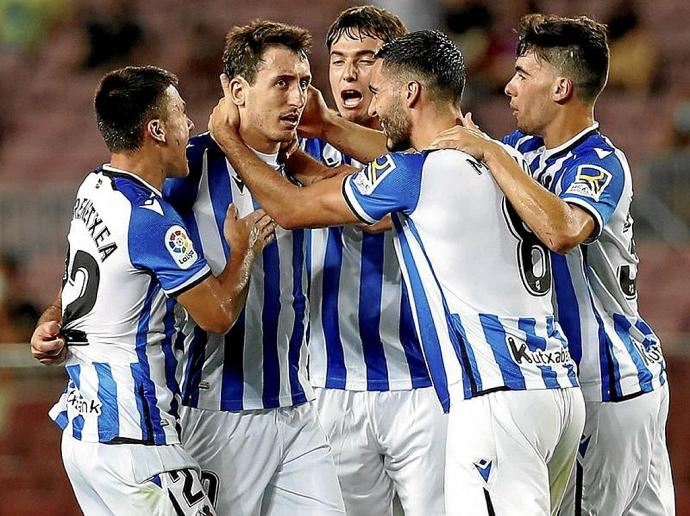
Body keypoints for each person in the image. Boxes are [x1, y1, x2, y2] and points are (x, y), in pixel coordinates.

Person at [209, 30, 585, 515]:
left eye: (382, 89)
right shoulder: (503, 157)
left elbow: (289, 208)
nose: (374, 100)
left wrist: (230, 142)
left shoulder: (413, 173)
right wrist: (311, 145)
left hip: (495, 397)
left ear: (411, 94)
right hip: (556, 390)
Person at [430, 14, 675, 516]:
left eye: (523, 74)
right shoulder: (523, 151)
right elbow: (434, 160)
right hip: (629, 384)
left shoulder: (599, 161)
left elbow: (563, 231)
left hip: (603, 386)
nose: (509, 86)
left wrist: (490, 155)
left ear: (561, 87)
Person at [29, 65, 275, 514]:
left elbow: (73, 288)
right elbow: (217, 316)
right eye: (182, 114)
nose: (192, 126)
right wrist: (244, 250)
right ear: (156, 129)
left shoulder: (94, 189)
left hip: (84, 436)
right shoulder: (151, 220)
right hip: (137, 442)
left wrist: (50, 322)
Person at [162, 20, 345, 515]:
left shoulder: (304, 169)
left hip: (297, 405)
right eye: (282, 83)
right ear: (237, 90)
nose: (297, 98)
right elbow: (118, 242)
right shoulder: (186, 169)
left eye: (304, 83)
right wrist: (59, 313)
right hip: (216, 413)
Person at [299, 7, 446, 516]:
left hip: (423, 385)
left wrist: (313, 174)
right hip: (330, 386)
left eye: (365, 60)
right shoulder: (291, 147)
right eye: (338, 60)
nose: (348, 73)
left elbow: (374, 215)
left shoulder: (426, 143)